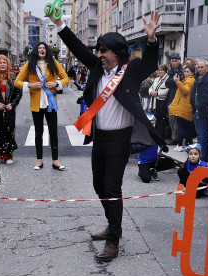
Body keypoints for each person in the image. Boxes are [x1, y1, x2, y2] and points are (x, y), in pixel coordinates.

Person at [50, 9, 164, 262]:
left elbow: (149, 64)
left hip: (120, 138)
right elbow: (78, 48)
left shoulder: (131, 69)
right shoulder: (97, 68)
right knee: (98, 185)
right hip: (99, 137)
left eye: (103, 50)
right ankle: (112, 226)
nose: (99, 54)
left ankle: (114, 240)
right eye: (98, 50)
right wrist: (60, 25)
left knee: (112, 187)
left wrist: (152, 40)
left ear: (116, 52)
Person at [14, 42, 69, 170]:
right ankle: (39, 161)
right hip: (36, 103)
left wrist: (56, 83)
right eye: (39, 48)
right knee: (39, 133)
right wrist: (31, 85)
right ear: (36, 51)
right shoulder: (30, 64)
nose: (42, 49)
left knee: (54, 132)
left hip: (51, 104)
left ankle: (55, 161)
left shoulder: (54, 63)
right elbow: (17, 81)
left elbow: (65, 78)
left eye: (44, 48)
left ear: (47, 51)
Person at [191, 59, 208, 163]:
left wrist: (202, 108)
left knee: (204, 134)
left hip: (203, 111)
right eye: (198, 67)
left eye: (202, 67)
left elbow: (206, 96)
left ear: (207, 68)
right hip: (197, 109)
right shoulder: (198, 77)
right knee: (200, 134)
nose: (199, 69)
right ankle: (202, 154)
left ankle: (203, 156)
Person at [168, 63, 195, 151]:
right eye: (185, 71)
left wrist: (177, 82)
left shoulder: (189, 80)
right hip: (184, 107)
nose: (185, 73)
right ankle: (185, 144)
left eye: (188, 72)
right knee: (185, 127)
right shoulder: (188, 80)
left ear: (192, 73)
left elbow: (185, 90)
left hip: (183, 107)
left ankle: (180, 144)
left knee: (181, 127)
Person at [149, 64, 170, 141]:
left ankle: (161, 138)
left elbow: (167, 90)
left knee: (161, 123)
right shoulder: (156, 79)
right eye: (159, 70)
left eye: (162, 70)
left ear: (165, 71)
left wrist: (158, 93)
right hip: (154, 102)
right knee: (154, 121)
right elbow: (151, 88)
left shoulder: (167, 79)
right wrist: (151, 92)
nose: (160, 72)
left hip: (161, 103)